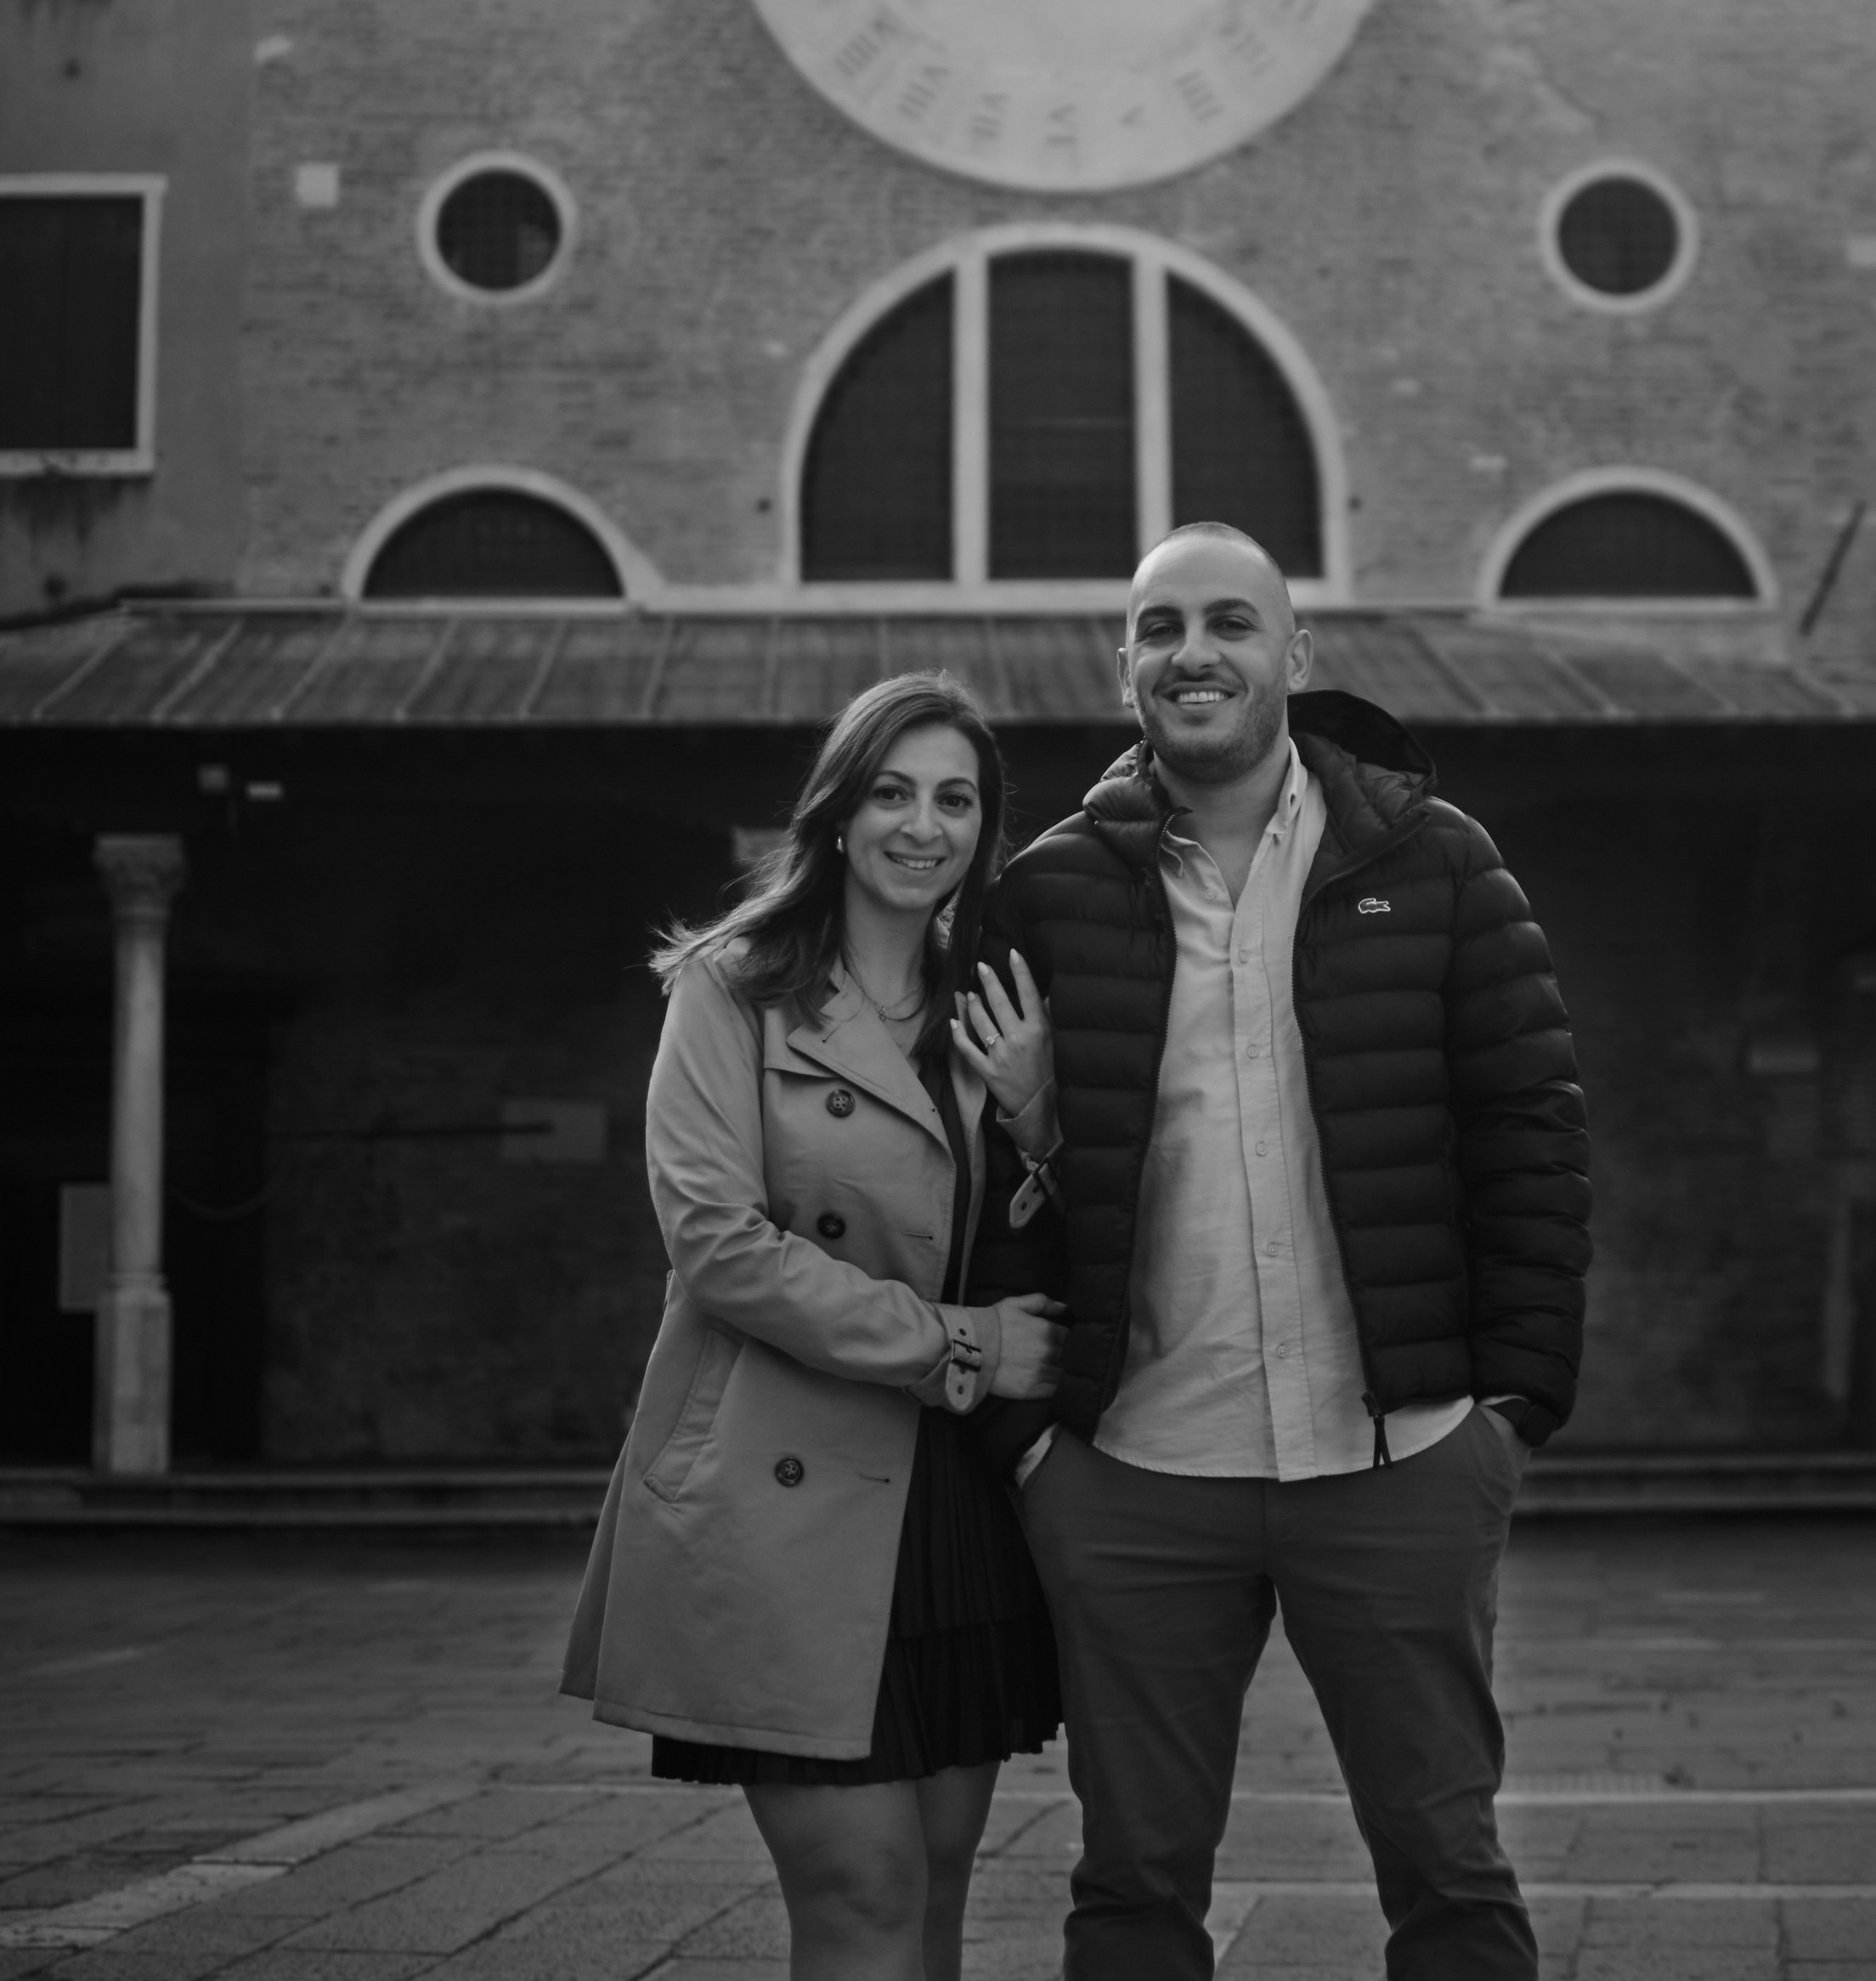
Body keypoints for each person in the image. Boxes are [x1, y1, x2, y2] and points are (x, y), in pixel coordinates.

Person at [983, 523, 1593, 1981]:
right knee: (1131, 1884)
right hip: (1135, 1469)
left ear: (1296, 655)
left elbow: (1531, 1129)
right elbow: (969, 1173)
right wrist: (1036, 1444)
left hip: (1397, 1460)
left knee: (1448, 1873)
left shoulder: (1437, 861)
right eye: (1160, 627)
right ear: (1122, 665)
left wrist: (1508, 1410)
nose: (1193, 653)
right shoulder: (1049, 891)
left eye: (1230, 623)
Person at [562, 672, 1066, 1981]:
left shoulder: (994, 1006)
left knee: (936, 1896)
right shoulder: (730, 988)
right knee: (862, 1893)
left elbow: (1059, 1234)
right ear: (838, 811)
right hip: (779, 1494)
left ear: (984, 828)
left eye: (956, 799)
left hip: (949, 1504)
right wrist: (963, 1346)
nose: (923, 825)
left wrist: (1039, 1115)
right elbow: (720, 1248)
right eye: (892, 792)